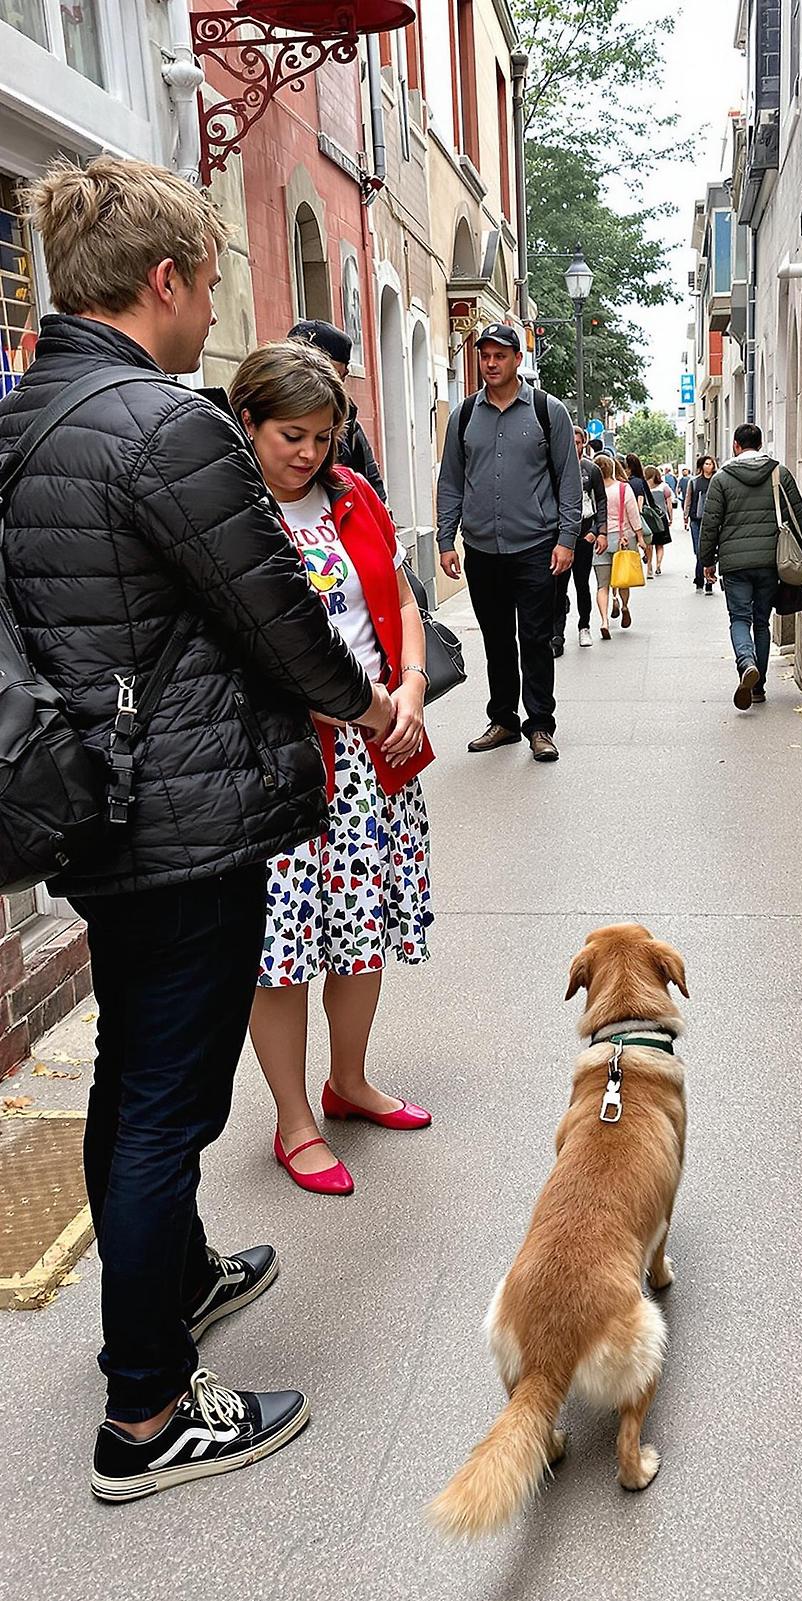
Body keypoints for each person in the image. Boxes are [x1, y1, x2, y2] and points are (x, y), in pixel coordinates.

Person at [0, 156, 393, 1502]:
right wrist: (376, 707)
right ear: (166, 282)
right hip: (186, 812)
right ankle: (148, 1408)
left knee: (134, 1067)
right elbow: (277, 614)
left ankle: (175, 1276)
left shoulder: (26, 413)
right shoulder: (164, 426)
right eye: (211, 279)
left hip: (87, 800)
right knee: (172, 1093)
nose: (210, 301)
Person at [230, 341, 436, 1198]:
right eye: (291, 435)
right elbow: (243, 646)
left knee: (364, 928)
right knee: (284, 949)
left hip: (378, 748)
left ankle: (347, 1082)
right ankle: (293, 1120)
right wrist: (354, 707)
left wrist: (413, 687)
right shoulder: (232, 515)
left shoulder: (351, 496)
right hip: (287, 761)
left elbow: (402, 595)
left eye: (323, 434)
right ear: (249, 425)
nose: (310, 452)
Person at [436, 324, 579, 763]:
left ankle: (540, 726)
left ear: (518, 359)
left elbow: (569, 480)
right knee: (497, 639)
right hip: (482, 550)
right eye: (485, 356)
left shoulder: (546, 411)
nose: (491, 363)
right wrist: (445, 539)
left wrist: (567, 538)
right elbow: (451, 482)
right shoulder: (462, 416)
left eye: (500, 355)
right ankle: (503, 721)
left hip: (536, 546)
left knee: (535, 638)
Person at [698, 421, 802, 711]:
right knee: (762, 622)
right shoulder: (779, 473)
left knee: (739, 619)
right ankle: (759, 687)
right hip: (769, 561)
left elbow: (710, 523)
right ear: (760, 445)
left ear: (736, 445)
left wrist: (706, 562)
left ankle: (745, 662)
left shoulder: (721, 479)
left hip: (735, 563)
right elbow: (797, 515)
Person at [287, 318, 389, 507]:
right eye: (292, 436)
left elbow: (371, 482)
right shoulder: (268, 411)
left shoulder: (347, 417)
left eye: (337, 377)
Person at [553, 425, 607, 653]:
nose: (573, 446)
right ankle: (557, 634)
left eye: (577, 442)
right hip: (560, 535)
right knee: (557, 587)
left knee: (582, 584)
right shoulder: (554, 468)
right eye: (570, 441)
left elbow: (601, 501)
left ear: (583, 443)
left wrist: (599, 530)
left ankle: (584, 625)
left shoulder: (591, 470)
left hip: (585, 533)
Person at [595, 455, 644, 640]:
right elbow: (633, 514)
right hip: (623, 538)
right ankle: (623, 605)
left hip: (600, 538)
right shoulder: (624, 488)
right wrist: (640, 537)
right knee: (623, 579)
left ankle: (604, 621)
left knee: (602, 585)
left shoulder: (593, 491)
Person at [685, 454, 717, 591]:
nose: (708, 466)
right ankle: (699, 579)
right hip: (696, 520)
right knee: (699, 551)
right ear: (702, 466)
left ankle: (709, 582)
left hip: (712, 521)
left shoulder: (717, 481)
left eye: (711, 464)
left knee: (711, 551)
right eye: (706, 464)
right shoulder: (694, 481)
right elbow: (688, 498)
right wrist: (686, 516)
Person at [644, 463, 673, 575]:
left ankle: (649, 566)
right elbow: (669, 504)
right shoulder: (664, 487)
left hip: (648, 518)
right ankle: (658, 565)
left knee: (649, 544)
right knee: (660, 544)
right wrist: (671, 517)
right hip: (661, 517)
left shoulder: (643, 487)